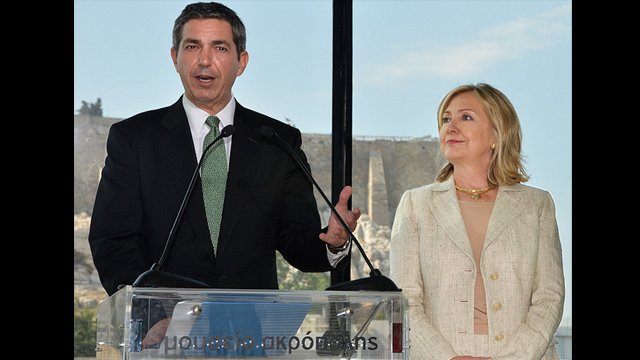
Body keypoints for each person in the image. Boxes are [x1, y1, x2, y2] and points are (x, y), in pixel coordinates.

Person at [88, 1, 361, 349]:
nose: (204, 60)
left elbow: (297, 241)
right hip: (163, 338)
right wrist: (154, 314)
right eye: (192, 47)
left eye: (219, 47)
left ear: (241, 62)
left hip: (251, 336)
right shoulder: (135, 139)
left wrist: (332, 242)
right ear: (175, 57)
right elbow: (113, 241)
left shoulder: (277, 141)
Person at [389, 83, 564, 360]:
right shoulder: (415, 204)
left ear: (497, 133)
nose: (451, 126)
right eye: (446, 119)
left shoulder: (537, 205)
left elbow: (549, 297)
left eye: (466, 117)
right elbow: (404, 302)